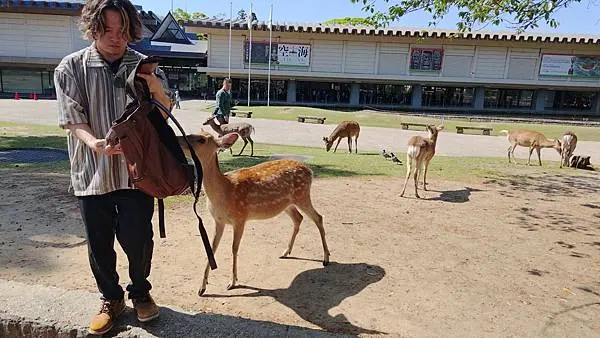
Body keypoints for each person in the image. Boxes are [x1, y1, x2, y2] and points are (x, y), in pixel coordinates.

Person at [54, 0, 172, 335]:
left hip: (137, 174)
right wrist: (95, 144)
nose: (116, 38)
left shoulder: (143, 66)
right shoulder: (70, 67)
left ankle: (141, 293)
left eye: (123, 30)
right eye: (108, 30)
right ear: (92, 28)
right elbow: (71, 119)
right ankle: (111, 298)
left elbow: (163, 114)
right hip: (92, 172)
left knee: (139, 238)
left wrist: (157, 89)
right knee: (99, 242)